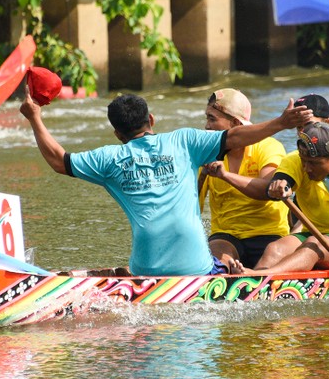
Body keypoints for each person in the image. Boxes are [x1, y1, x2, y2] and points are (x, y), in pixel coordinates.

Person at [20, 90, 313, 276]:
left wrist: (35, 118)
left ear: (117, 134)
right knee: (222, 267)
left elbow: (59, 160)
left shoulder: (109, 158)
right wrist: (280, 122)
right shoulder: (184, 141)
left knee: (135, 268)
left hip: (146, 267)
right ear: (151, 119)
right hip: (195, 267)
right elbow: (234, 137)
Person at [207, 121, 329, 294]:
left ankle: (262, 277)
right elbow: (282, 179)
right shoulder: (296, 161)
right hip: (317, 233)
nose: (307, 168)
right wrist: (279, 186)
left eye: (314, 163)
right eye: (304, 161)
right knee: (275, 248)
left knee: (313, 245)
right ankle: (251, 286)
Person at [198, 89, 289, 268]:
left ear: (236, 123)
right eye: (207, 118)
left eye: (212, 119)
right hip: (226, 236)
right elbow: (191, 208)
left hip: (269, 235)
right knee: (218, 258)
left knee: (271, 257)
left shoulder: (268, 147)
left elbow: (267, 190)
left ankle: (255, 276)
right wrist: (201, 175)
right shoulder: (206, 153)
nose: (207, 127)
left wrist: (225, 176)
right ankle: (221, 272)